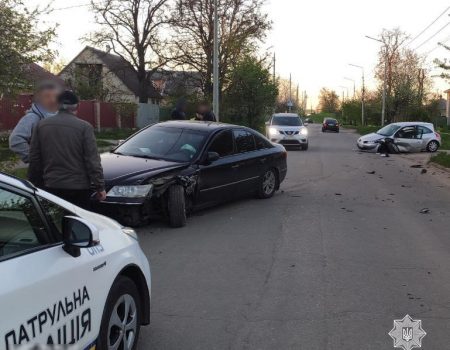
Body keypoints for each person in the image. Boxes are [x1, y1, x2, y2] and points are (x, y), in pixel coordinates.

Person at [28, 90, 106, 209]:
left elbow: (34, 158)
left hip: (51, 186)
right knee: (78, 222)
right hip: (78, 189)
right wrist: (100, 187)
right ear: (77, 106)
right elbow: (92, 160)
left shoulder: (41, 125)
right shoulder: (84, 127)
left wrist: (34, 184)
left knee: (55, 223)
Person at [9, 81, 61, 163]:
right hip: (43, 172)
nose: (52, 99)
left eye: (55, 96)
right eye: (47, 96)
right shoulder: (33, 117)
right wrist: (35, 160)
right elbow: (16, 140)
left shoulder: (58, 115)